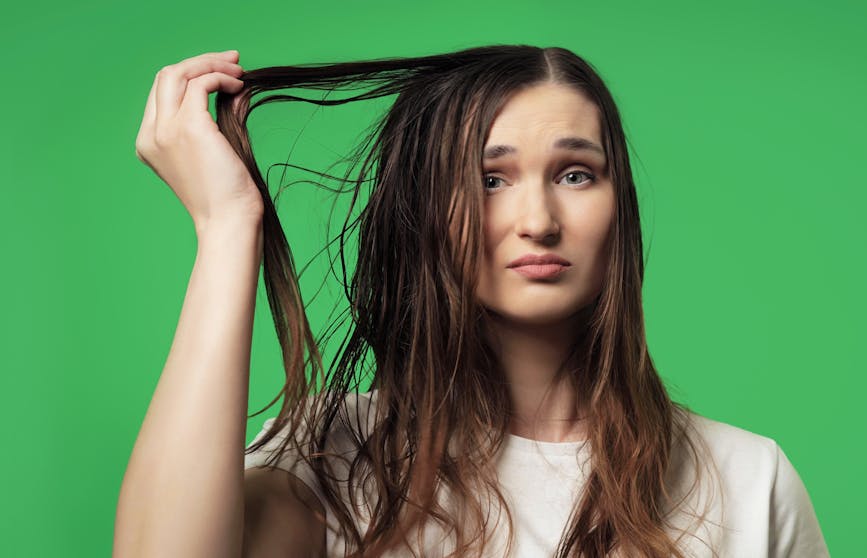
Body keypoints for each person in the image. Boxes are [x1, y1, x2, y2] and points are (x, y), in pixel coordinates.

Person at [114, 45, 830, 558]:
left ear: (623, 211)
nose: (539, 219)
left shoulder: (749, 478)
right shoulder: (331, 460)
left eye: (577, 174)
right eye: (490, 180)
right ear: (426, 211)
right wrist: (226, 225)